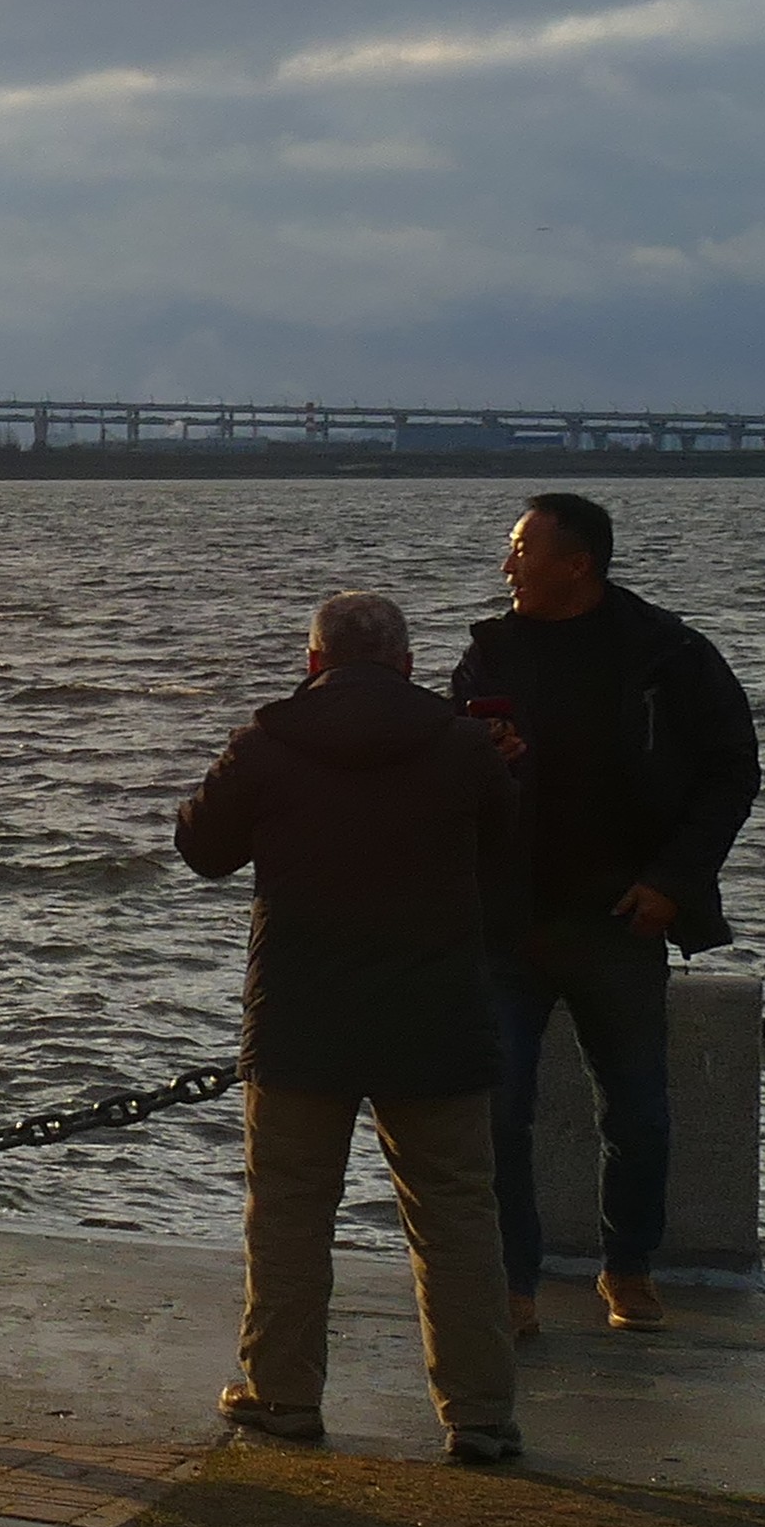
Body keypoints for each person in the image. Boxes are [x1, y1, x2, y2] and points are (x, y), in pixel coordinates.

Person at [171, 589, 523, 1462]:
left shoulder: (269, 741)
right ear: (407, 665)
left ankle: (282, 1394)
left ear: (315, 663)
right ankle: (478, 1415)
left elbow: (201, 849)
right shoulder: (464, 745)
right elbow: (512, 862)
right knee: (458, 1219)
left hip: (301, 1016)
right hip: (436, 1017)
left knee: (289, 1214)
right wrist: (506, 766)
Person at [446, 492, 758, 1337]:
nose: (506, 564)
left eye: (520, 548)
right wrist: (485, 760)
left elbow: (733, 771)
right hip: (509, 921)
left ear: (577, 563)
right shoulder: (489, 655)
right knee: (498, 1108)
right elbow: (451, 773)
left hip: (622, 919)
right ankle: (513, 1283)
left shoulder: (669, 654)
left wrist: (674, 882)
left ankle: (629, 1269)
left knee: (639, 1108)